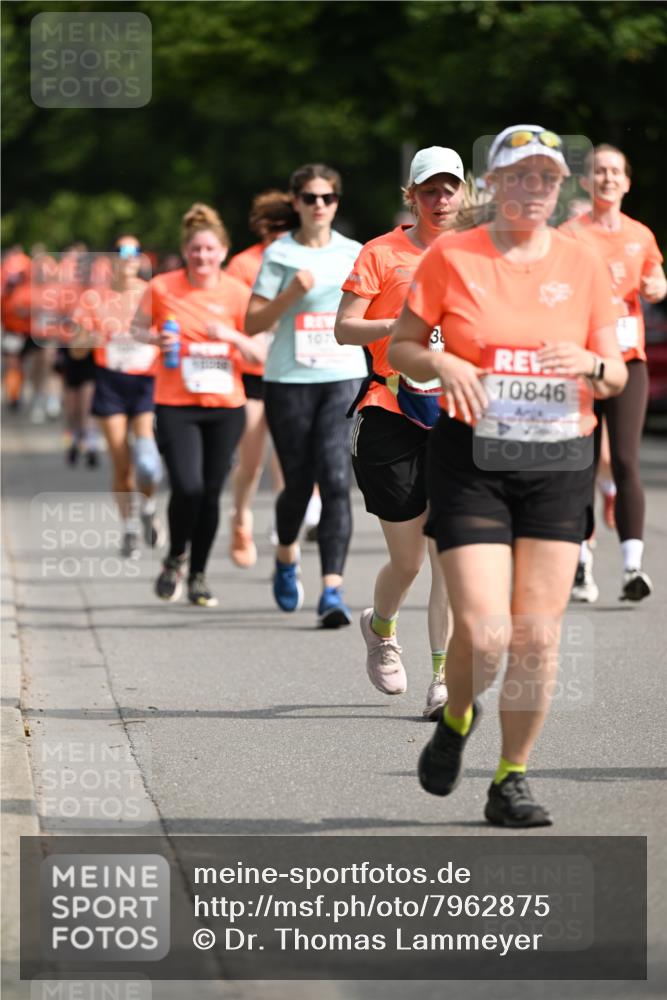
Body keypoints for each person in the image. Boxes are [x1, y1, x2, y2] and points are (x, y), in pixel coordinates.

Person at [389, 125, 626, 827]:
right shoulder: (451, 258)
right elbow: (404, 346)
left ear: (560, 190)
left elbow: (613, 372)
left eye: (546, 178)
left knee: (537, 636)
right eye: (518, 176)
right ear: (492, 186)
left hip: (557, 462)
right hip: (471, 462)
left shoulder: (582, 265)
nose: (532, 189)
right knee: (487, 632)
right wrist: (444, 364)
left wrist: (585, 365)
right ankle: (457, 717)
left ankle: (510, 778)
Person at [335, 147, 466, 718]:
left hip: (457, 411)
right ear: (411, 197)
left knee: (448, 554)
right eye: (429, 190)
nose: (440, 200)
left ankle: (443, 680)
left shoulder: (477, 255)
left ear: (464, 195)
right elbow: (344, 329)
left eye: (449, 189)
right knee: (409, 560)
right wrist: (400, 324)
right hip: (391, 409)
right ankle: (381, 627)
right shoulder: (380, 253)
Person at [245, 163, 367, 627]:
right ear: (295, 202)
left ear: (337, 202)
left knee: (336, 479)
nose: (320, 205)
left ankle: (332, 590)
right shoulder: (280, 254)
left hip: (342, 376)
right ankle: (284, 556)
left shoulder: (354, 253)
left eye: (328, 197)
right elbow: (254, 324)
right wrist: (290, 294)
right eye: (311, 198)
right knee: (298, 482)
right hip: (289, 380)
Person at [132, 203, 266, 606]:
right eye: (196, 250)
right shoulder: (162, 288)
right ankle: (175, 558)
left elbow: (258, 353)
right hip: (175, 403)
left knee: (210, 492)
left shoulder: (239, 293)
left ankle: (199, 574)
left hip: (226, 407)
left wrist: (229, 335)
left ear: (223, 251)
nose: (202, 257)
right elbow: (136, 329)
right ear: (185, 251)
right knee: (187, 486)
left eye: (210, 250)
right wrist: (157, 340)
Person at [562, 144, 667, 602]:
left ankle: (631, 567)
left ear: (626, 182)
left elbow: (657, 280)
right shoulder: (569, 233)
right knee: (581, 463)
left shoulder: (640, 235)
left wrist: (655, 286)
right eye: (598, 171)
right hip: (582, 363)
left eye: (614, 172)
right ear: (586, 182)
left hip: (628, 359)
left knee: (625, 460)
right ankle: (581, 565)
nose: (606, 178)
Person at [71, 236, 164, 557]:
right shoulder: (94, 298)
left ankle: (149, 506)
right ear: (110, 260)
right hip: (110, 383)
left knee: (147, 461)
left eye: (135, 252)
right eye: (122, 253)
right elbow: (77, 350)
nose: (129, 259)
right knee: (121, 464)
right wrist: (92, 335)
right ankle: (128, 529)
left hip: (145, 383)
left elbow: (168, 334)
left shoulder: (152, 293)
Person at [224, 190, 297, 567]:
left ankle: (284, 531)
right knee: (250, 460)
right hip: (252, 374)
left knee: (287, 459)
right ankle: (241, 516)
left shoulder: (305, 259)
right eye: (272, 227)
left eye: (286, 226)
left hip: (292, 370)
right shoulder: (241, 265)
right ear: (260, 228)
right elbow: (230, 319)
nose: (279, 234)